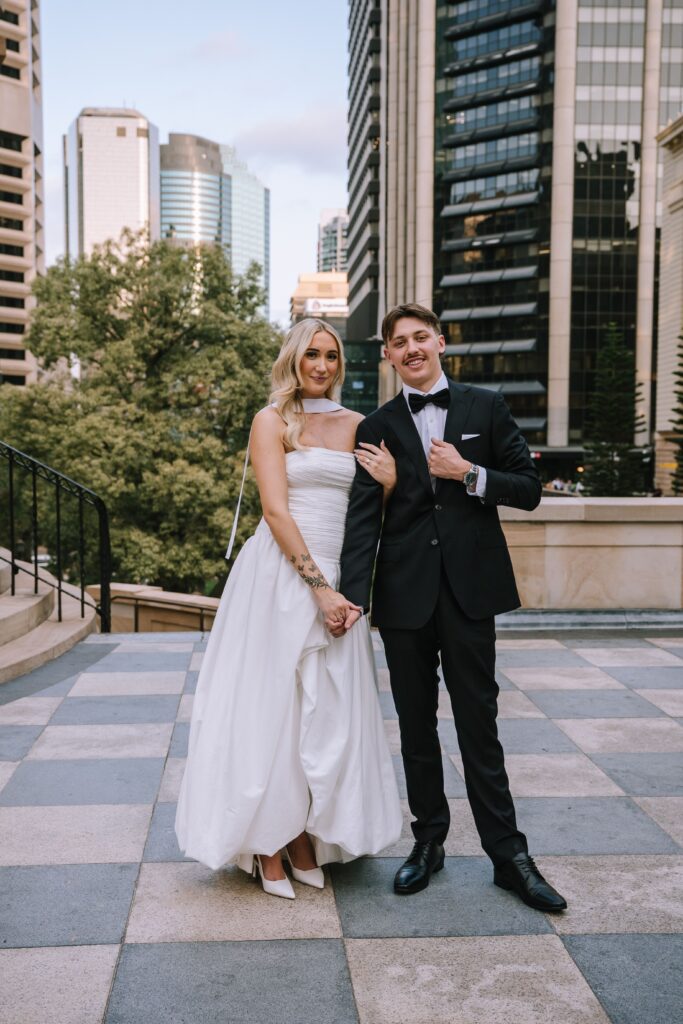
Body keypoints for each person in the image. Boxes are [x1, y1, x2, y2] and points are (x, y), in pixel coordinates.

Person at [336, 303, 567, 912]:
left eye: (420, 337)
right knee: (415, 727)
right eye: (398, 342)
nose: (411, 348)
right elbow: (363, 524)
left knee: (478, 725)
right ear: (387, 355)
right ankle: (428, 843)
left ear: (440, 342)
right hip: (403, 597)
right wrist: (351, 599)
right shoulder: (375, 427)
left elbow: (529, 491)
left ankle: (509, 856)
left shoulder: (484, 406)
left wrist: (469, 472)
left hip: (470, 593)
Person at [175, 318, 402, 899]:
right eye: (311, 356)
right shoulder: (271, 420)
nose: (322, 365)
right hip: (281, 575)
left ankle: (305, 836)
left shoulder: (361, 425)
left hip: (345, 583)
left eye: (330, 356)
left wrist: (393, 483)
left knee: (325, 714)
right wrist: (318, 588)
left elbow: (378, 515)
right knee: (270, 710)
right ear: (293, 360)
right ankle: (267, 844)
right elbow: (276, 511)